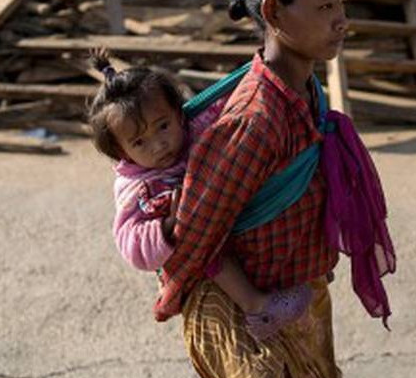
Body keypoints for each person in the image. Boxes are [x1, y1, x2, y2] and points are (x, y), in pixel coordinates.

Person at [154, 0, 396, 378]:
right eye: (326, 5)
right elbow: (195, 233)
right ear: (274, 13)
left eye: (343, 3)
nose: (342, 20)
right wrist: (171, 297)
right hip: (254, 318)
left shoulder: (307, 93)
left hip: (299, 298)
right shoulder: (256, 120)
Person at [86, 50, 313, 340]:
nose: (158, 145)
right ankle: (257, 307)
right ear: (122, 151)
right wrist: (168, 226)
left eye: (163, 126)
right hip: (199, 257)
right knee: (209, 248)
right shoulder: (135, 185)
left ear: (178, 114)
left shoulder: (197, 128)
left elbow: (231, 109)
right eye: (140, 142)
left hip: (240, 226)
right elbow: (130, 242)